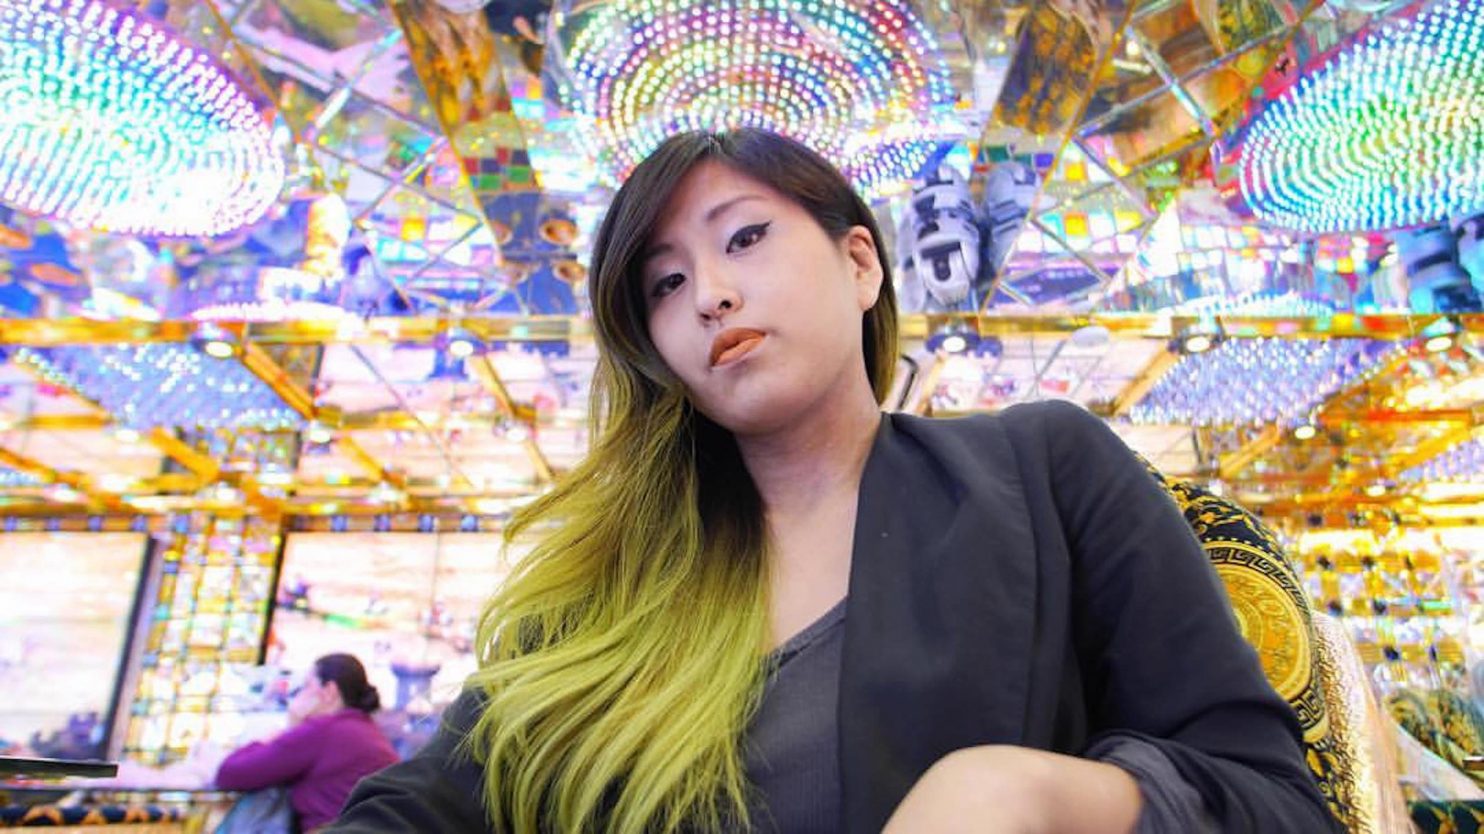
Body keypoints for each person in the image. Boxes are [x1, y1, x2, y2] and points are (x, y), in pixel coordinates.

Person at [324, 129, 1344, 833]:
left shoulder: (1043, 469)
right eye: (665, 284)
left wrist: (1021, 795)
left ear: (859, 264)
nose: (710, 295)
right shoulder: (612, 584)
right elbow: (433, 799)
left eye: (745, 237)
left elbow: (1270, 802)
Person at [216, 654, 398, 832]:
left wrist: (289, 727)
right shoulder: (366, 730)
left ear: (329, 691)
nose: (299, 695)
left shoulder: (323, 731)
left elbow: (230, 774)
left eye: (307, 686)